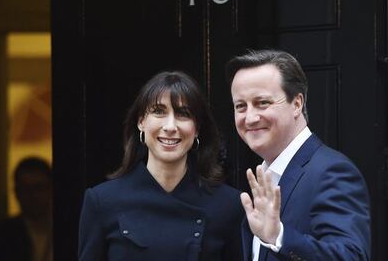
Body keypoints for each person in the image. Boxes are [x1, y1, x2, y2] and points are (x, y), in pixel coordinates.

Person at [78, 71, 244, 261]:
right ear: (141, 122)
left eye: (183, 114)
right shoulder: (102, 201)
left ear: (197, 128)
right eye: (159, 111)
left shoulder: (229, 205)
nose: (170, 126)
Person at [225, 49, 371, 261]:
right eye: (240, 106)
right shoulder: (266, 175)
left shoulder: (332, 172)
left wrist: (279, 237)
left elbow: (351, 257)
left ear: (297, 104)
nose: (250, 118)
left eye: (262, 103)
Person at [0, 156, 53, 261]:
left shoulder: (68, 231)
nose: (33, 195)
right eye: (26, 188)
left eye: (39, 187)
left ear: (51, 189)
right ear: (16, 192)